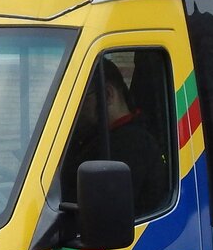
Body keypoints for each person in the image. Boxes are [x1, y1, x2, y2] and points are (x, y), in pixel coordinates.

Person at [63, 59, 168, 214]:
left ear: (106, 95)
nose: (72, 111)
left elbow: (99, 213)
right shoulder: (102, 137)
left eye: (79, 100)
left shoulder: (130, 145)